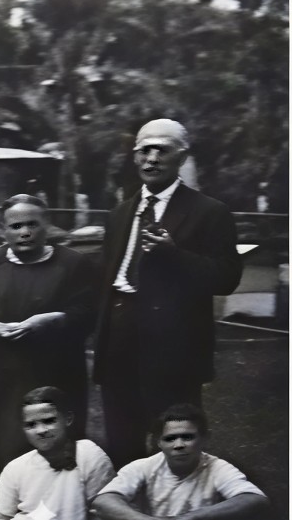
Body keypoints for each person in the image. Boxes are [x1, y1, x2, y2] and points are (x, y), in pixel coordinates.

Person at [93, 119, 243, 468]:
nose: (152, 158)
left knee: (176, 444)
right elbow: (108, 275)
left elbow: (226, 279)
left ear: (182, 156)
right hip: (118, 342)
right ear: (134, 157)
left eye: (162, 149)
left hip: (173, 349)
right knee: (122, 442)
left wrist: (173, 255)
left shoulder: (210, 212)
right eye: (145, 150)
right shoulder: (119, 213)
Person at [0, 194, 97, 520]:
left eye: (32, 224)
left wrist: (54, 319)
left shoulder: (74, 264)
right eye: (16, 226)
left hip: (51, 371)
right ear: (4, 230)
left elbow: (89, 311)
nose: (25, 232)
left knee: (45, 443)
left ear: (47, 225)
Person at [92, 404, 269, 520]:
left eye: (187, 437)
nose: (179, 445)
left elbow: (255, 500)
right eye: (170, 439)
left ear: (204, 438)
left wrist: (190, 518)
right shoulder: (144, 466)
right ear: (159, 442)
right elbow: (104, 501)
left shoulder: (216, 467)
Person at [0, 386, 115, 520]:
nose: (40, 430)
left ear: (68, 419)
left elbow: (105, 510)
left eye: (49, 421)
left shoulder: (87, 453)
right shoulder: (15, 468)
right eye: (31, 425)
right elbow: (2, 516)